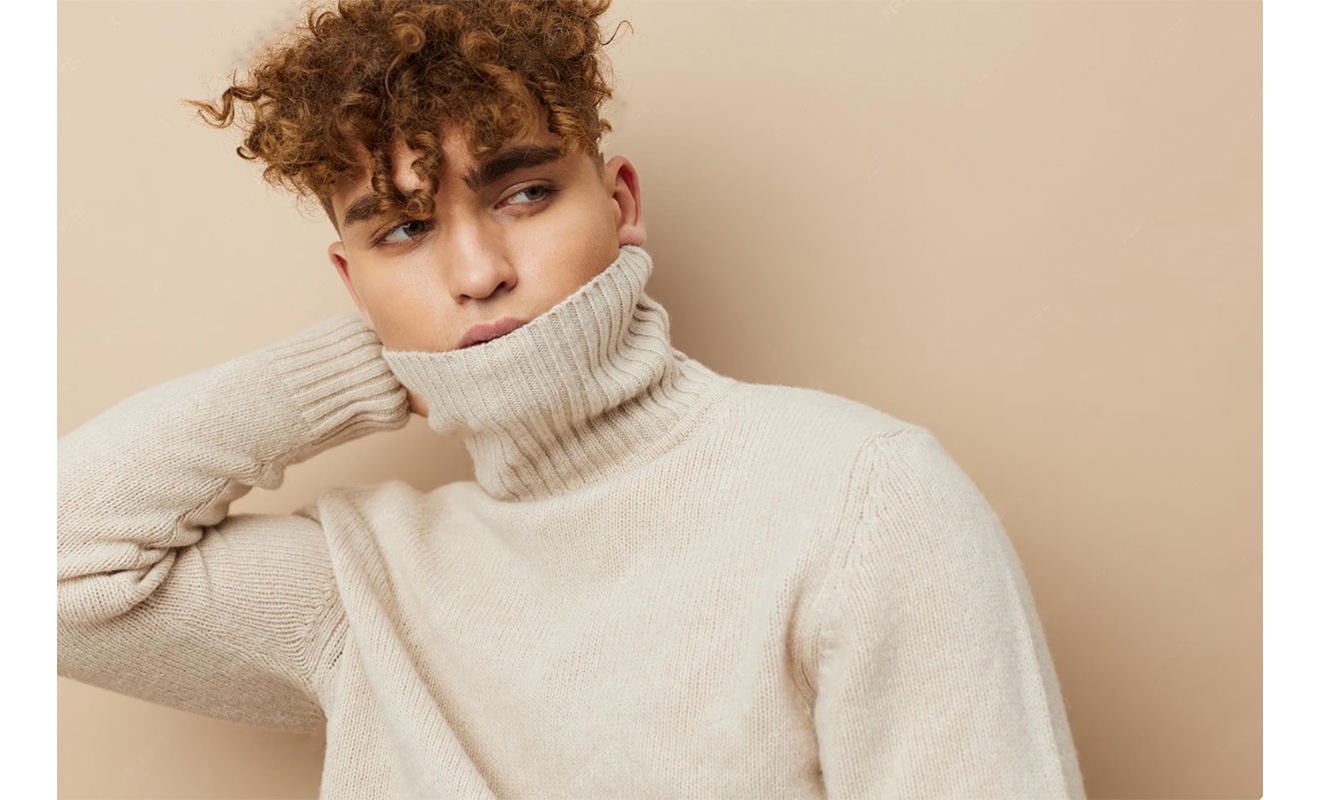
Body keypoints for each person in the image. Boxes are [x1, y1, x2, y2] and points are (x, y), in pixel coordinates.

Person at [56, 1, 1086, 797]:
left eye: (523, 193)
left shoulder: (859, 498)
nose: (478, 272)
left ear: (621, 201)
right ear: (352, 281)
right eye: (403, 230)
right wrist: (358, 369)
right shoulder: (366, 588)